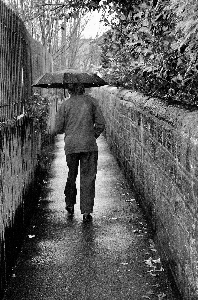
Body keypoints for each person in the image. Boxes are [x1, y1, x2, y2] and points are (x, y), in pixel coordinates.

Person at [55, 83, 105, 221]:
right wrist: (92, 135)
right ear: (83, 88)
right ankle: (86, 212)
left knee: (72, 175)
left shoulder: (65, 105)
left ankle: (70, 204)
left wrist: (69, 128)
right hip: (89, 145)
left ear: (69, 90)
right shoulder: (92, 102)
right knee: (88, 177)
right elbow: (101, 124)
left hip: (71, 146)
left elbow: (58, 128)